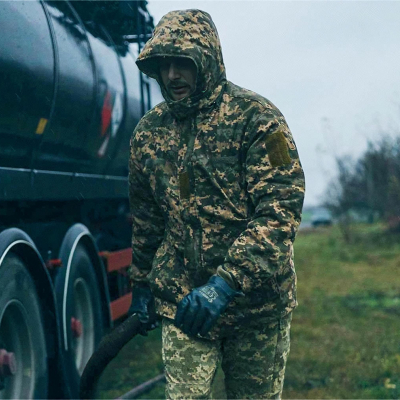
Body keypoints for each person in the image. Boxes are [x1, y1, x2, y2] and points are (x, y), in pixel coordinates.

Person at [128, 9, 305, 400]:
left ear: (205, 60)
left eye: (183, 63)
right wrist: (141, 284)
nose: (172, 75)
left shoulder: (258, 119)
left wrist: (224, 285)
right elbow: (146, 220)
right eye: (164, 65)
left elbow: (280, 211)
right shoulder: (148, 135)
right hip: (183, 304)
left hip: (256, 306)